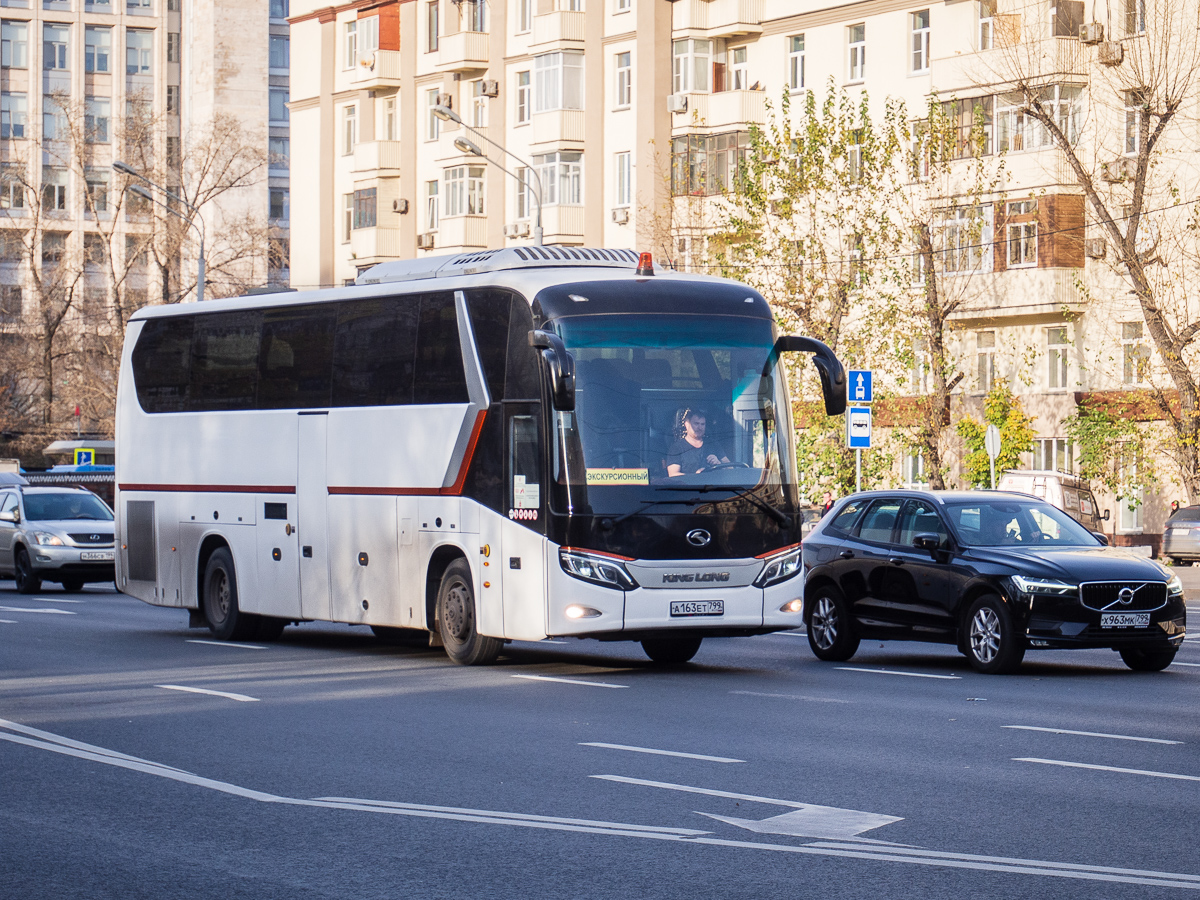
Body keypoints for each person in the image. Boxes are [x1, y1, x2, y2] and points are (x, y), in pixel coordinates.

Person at [667, 408, 730, 476]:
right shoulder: (676, 448)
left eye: (702, 424)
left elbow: (731, 468)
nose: (700, 427)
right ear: (687, 425)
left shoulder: (713, 444)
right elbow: (673, 474)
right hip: (689, 486)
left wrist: (719, 464)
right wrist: (696, 476)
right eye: (696, 424)